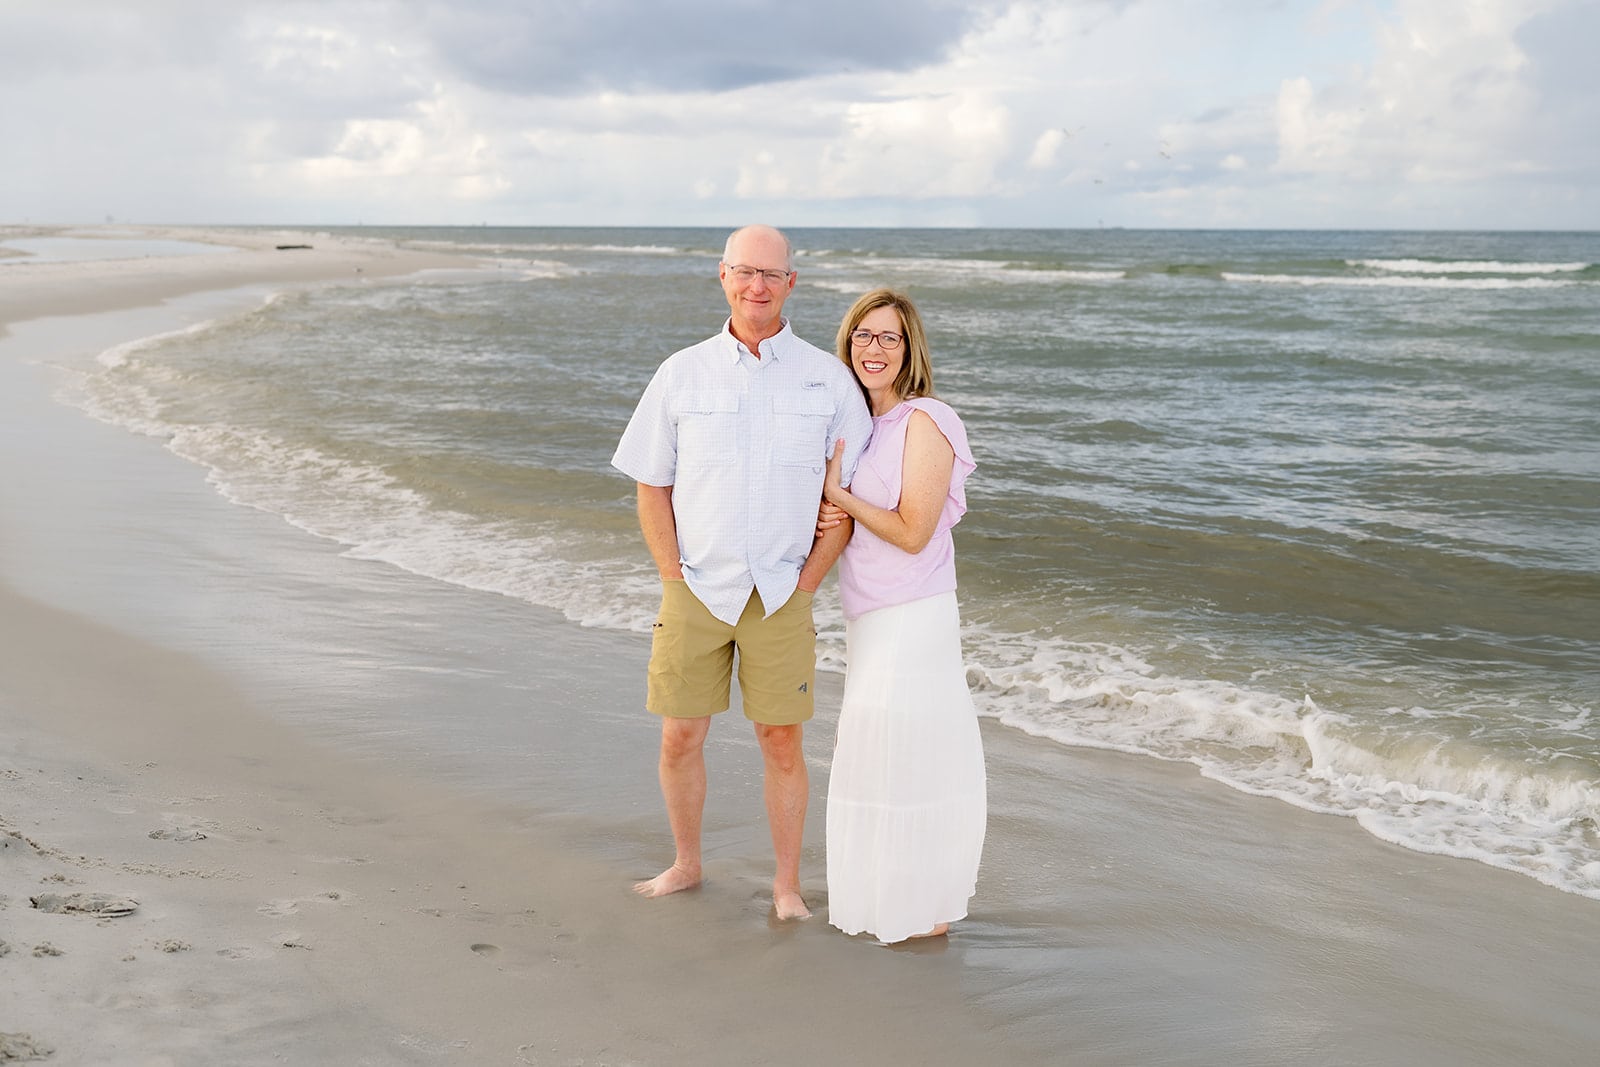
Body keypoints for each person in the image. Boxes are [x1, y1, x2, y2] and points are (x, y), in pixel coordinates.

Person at [611, 225, 873, 920]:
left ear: (793, 283)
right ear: (722, 276)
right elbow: (651, 483)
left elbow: (843, 497)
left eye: (772, 273)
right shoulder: (681, 372)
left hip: (783, 592)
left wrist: (811, 579)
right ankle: (686, 863)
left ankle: (787, 888)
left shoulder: (828, 378)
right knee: (679, 734)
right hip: (695, 585)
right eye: (745, 271)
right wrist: (672, 574)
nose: (757, 284)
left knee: (782, 740)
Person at [817, 287, 986, 943]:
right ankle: (887, 898)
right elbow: (841, 519)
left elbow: (914, 530)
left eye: (889, 337)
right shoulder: (856, 428)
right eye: (863, 335)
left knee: (915, 749)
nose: (875, 348)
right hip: (868, 612)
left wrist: (840, 495)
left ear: (910, 348)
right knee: (874, 746)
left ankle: (931, 906)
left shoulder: (928, 418)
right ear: (848, 344)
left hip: (915, 613)